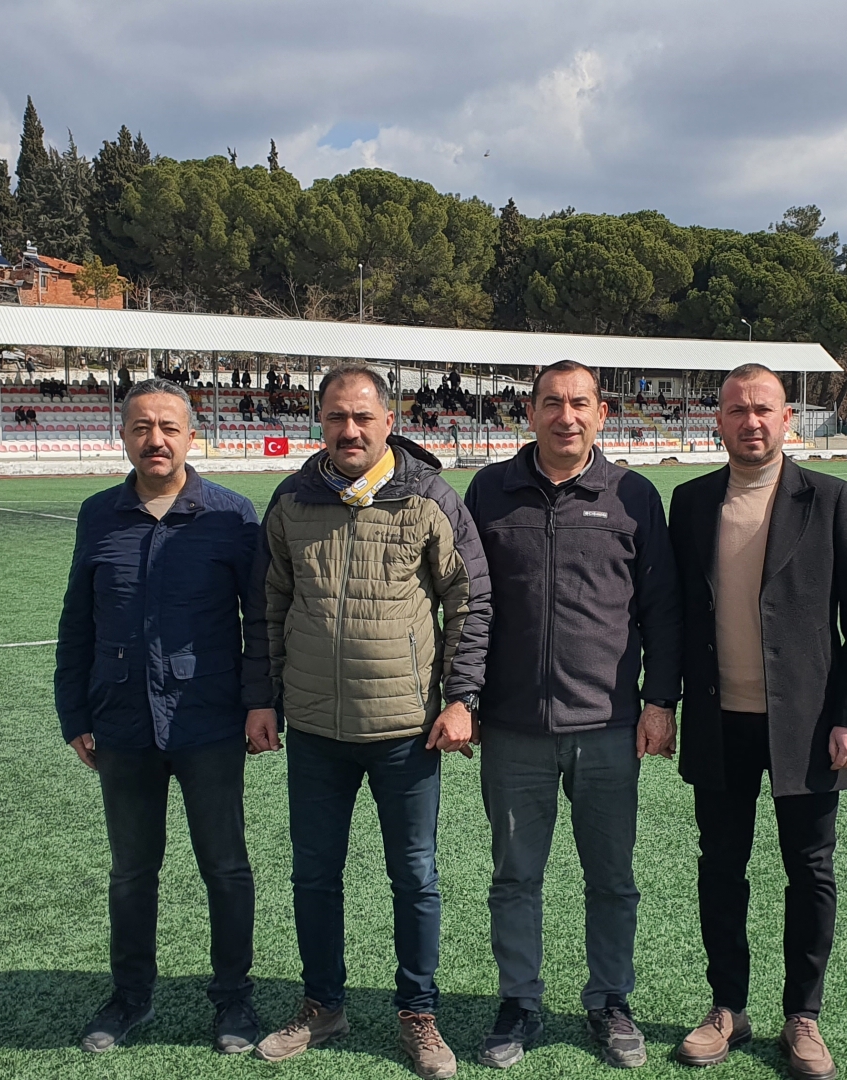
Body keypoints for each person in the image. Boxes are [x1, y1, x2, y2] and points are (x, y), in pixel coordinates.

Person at [251, 364, 491, 1080]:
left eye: (362, 417)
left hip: (404, 731)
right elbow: (267, 605)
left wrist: (462, 698)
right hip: (315, 731)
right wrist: (262, 697)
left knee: (414, 878)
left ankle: (418, 1012)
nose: (349, 430)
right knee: (314, 875)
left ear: (390, 421)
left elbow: (470, 600)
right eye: (335, 417)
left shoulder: (429, 498)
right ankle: (322, 1004)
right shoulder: (292, 500)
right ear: (319, 423)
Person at [667, 364, 847, 1080]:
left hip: (809, 727)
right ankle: (727, 1008)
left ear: (788, 418)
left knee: (810, 870)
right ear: (718, 420)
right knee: (720, 868)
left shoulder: (830, 498)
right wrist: (660, 702)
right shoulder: (691, 502)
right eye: (736, 410)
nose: (751, 421)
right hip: (719, 721)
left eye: (763, 409)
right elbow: (673, 615)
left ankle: (804, 1016)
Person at [464, 360, 682, 1070]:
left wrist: (660, 702)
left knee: (612, 879)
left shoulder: (633, 495)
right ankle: (519, 1002)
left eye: (580, 403)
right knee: (514, 879)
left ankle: (610, 1001)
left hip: (608, 727)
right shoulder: (489, 491)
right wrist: (465, 698)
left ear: (601, 412)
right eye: (552, 403)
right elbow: (468, 605)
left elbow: (662, 609)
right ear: (530, 413)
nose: (566, 416)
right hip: (513, 728)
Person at [54, 379, 273, 1056]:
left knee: (225, 867)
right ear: (123, 435)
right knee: (131, 870)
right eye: (142, 427)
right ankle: (130, 996)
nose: (156, 440)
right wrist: (73, 711)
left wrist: (262, 701)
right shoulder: (98, 515)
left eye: (169, 428)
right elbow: (78, 619)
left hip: (209, 721)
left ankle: (233, 999)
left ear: (191, 436)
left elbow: (260, 621)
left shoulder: (232, 515)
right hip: (121, 722)